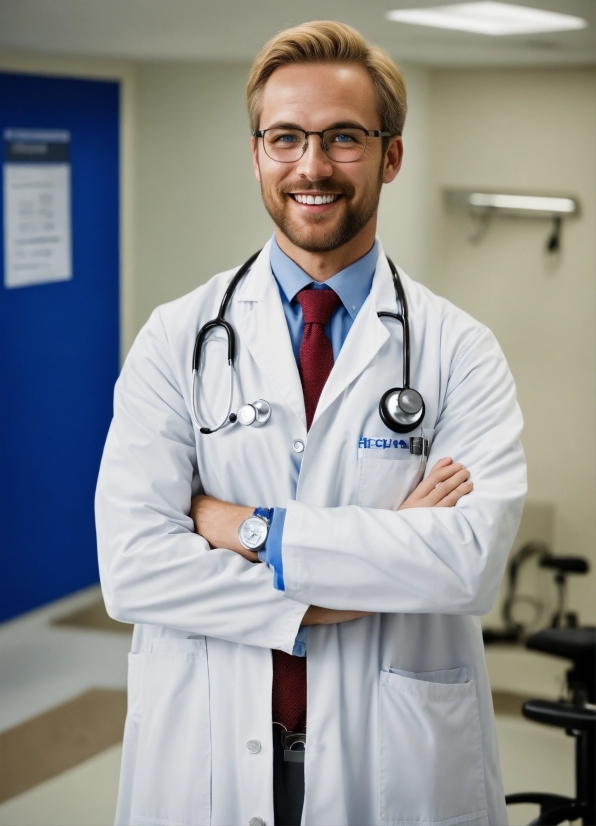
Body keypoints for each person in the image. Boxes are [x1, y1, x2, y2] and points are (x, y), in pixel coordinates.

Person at [95, 20, 526, 826]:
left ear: (391, 155)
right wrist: (349, 586)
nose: (313, 166)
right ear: (256, 152)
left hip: (394, 764)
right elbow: (132, 568)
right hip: (207, 753)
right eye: (285, 137)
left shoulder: (458, 349)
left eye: (343, 138)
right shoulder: (176, 338)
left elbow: (467, 564)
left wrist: (243, 528)